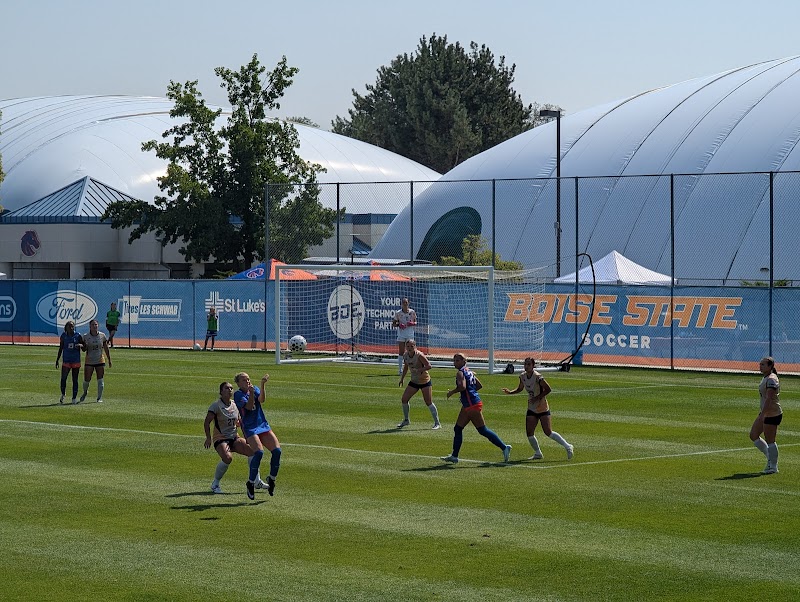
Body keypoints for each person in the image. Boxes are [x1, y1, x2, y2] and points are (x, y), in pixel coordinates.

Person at [441, 353, 511, 464]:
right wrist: (469, 394)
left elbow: (462, 387)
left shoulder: (460, 373)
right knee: (458, 428)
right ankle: (454, 456)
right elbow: (479, 386)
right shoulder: (469, 371)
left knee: (482, 430)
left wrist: (452, 392)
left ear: (464, 361)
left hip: (471, 405)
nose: (455, 362)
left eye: (458, 360)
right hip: (471, 403)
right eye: (454, 360)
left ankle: (504, 447)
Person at [502, 357, 574, 460]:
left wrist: (537, 398)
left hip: (542, 407)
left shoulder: (538, 377)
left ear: (533, 366)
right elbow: (520, 388)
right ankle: (538, 453)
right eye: (525, 364)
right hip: (531, 408)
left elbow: (548, 389)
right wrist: (510, 392)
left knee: (548, 432)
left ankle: (568, 446)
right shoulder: (522, 376)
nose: (526, 366)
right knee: (529, 433)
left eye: (528, 364)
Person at [204, 381, 263, 500]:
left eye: (231, 388)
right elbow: (207, 422)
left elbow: (240, 421)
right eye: (226, 388)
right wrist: (208, 438)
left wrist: (241, 428)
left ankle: (256, 481)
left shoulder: (235, 404)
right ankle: (215, 484)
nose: (230, 390)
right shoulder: (216, 406)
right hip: (221, 438)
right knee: (227, 458)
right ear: (221, 392)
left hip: (234, 437)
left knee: (253, 452)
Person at [234, 372, 282, 496]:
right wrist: (250, 394)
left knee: (277, 451)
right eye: (244, 380)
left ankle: (271, 479)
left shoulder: (254, 388)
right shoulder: (238, 394)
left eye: (248, 379)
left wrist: (262, 384)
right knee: (259, 452)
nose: (247, 381)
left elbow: (262, 400)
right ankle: (251, 483)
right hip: (250, 428)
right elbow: (249, 407)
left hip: (262, 425)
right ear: (238, 383)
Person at [397, 339, 441, 429]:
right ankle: (406, 420)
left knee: (428, 402)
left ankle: (437, 423)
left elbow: (429, 366)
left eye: (411, 346)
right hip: (414, 381)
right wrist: (402, 379)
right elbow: (406, 367)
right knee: (404, 399)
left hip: (425, 381)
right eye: (408, 346)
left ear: (415, 347)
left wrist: (419, 370)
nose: (409, 348)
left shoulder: (419, 355)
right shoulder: (405, 355)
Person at [750, 356, 783, 474]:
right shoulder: (766, 377)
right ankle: (770, 457)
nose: (760, 366)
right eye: (760, 364)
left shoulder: (771, 379)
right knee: (753, 434)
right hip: (765, 412)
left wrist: (763, 414)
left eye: (763, 364)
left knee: (770, 440)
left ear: (770, 367)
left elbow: (769, 398)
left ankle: (773, 467)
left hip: (772, 413)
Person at [79, 319, 112, 403]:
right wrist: (83, 346)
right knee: (87, 379)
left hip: (100, 359)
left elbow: (106, 347)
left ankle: (99, 397)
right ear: (90, 326)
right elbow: (83, 349)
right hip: (89, 360)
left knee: (100, 379)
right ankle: (85, 392)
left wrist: (109, 359)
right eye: (93, 325)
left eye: (96, 324)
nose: (95, 326)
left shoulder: (102, 335)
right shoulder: (86, 336)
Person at [55, 321, 84, 404]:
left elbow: (84, 347)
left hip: (76, 360)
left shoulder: (78, 335)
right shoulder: (63, 336)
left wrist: (81, 345)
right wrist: (57, 360)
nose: (71, 328)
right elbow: (61, 348)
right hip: (66, 360)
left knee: (75, 379)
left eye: (72, 326)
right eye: (69, 326)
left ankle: (74, 398)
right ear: (66, 327)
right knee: (63, 378)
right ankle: (63, 394)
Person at [392, 298, 417, 375]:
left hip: (410, 334)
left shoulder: (412, 312)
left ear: (408, 303)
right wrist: (399, 325)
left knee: (411, 352)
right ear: (401, 304)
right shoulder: (398, 313)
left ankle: (414, 368)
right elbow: (393, 324)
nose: (405, 304)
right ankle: (400, 369)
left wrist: (411, 323)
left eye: (406, 303)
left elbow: (416, 322)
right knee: (401, 352)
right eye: (403, 303)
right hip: (401, 334)